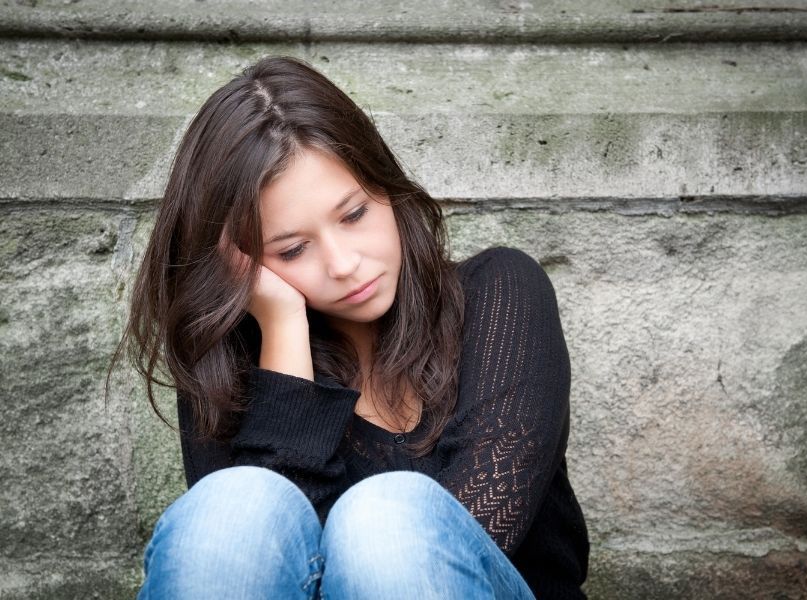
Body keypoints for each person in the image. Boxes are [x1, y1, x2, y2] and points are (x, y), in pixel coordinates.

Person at [118, 55, 589, 599]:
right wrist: (283, 327)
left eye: (354, 214)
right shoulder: (228, 368)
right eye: (292, 249)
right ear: (243, 264)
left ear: (384, 185)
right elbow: (270, 568)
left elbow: (464, 543)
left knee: (386, 518)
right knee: (236, 508)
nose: (343, 264)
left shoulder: (501, 292)